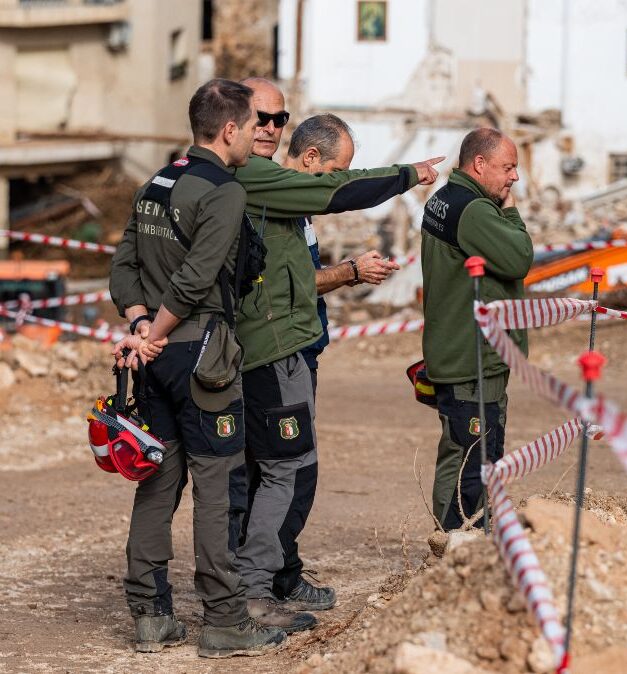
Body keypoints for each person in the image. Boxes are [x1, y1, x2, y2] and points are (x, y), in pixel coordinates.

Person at [231, 77, 443, 632]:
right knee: (284, 470)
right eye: (264, 118)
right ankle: (253, 590)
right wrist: (407, 175)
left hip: (296, 347)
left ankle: (274, 574)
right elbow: (343, 190)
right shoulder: (262, 181)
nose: (271, 129)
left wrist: (344, 275)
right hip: (273, 351)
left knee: (286, 469)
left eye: (279, 118)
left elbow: (293, 276)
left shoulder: (276, 189)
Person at [108, 79, 285, 658]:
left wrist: (138, 330)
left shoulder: (157, 181)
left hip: (154, 359)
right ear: (229, 130)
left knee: (159, 481)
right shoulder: (223, 190)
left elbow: (124, 264)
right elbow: (196, 279)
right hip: (200, 353)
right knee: (217, 485)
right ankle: (225, 620)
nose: (260, 134)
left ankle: (150, 615)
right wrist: (155, 334)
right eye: (251, 126)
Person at [420, 128, 533, 531]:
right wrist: (511, 212)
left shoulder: (442, 200)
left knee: (467, 452)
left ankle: (462, 540)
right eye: (508, 167)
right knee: (472, 457)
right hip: (473, 358)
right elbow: (519, 258)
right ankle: (455, 545)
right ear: (479, 164)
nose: (514, 178)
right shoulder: (476, 210)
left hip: (458, 349)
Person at [283, 113, 401, 389]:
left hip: (302, 349)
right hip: (287, 353)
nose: (338, 185)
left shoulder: (300, 207)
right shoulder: (280, 209)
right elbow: (296, 282)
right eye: (337, 173)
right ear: (310, 157)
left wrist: (353, 272)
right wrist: (353, 270)